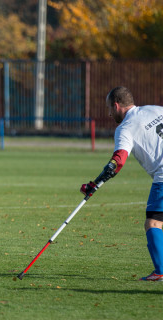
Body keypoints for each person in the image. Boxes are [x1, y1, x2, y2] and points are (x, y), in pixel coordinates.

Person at [80, 86, 163, 281]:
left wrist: (95, 183)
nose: (109, 113)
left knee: (153, 222)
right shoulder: (156, 109)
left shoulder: (125, 128)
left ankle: (160, 271)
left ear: (116, 105)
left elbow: (117, 162)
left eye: (109, 108)